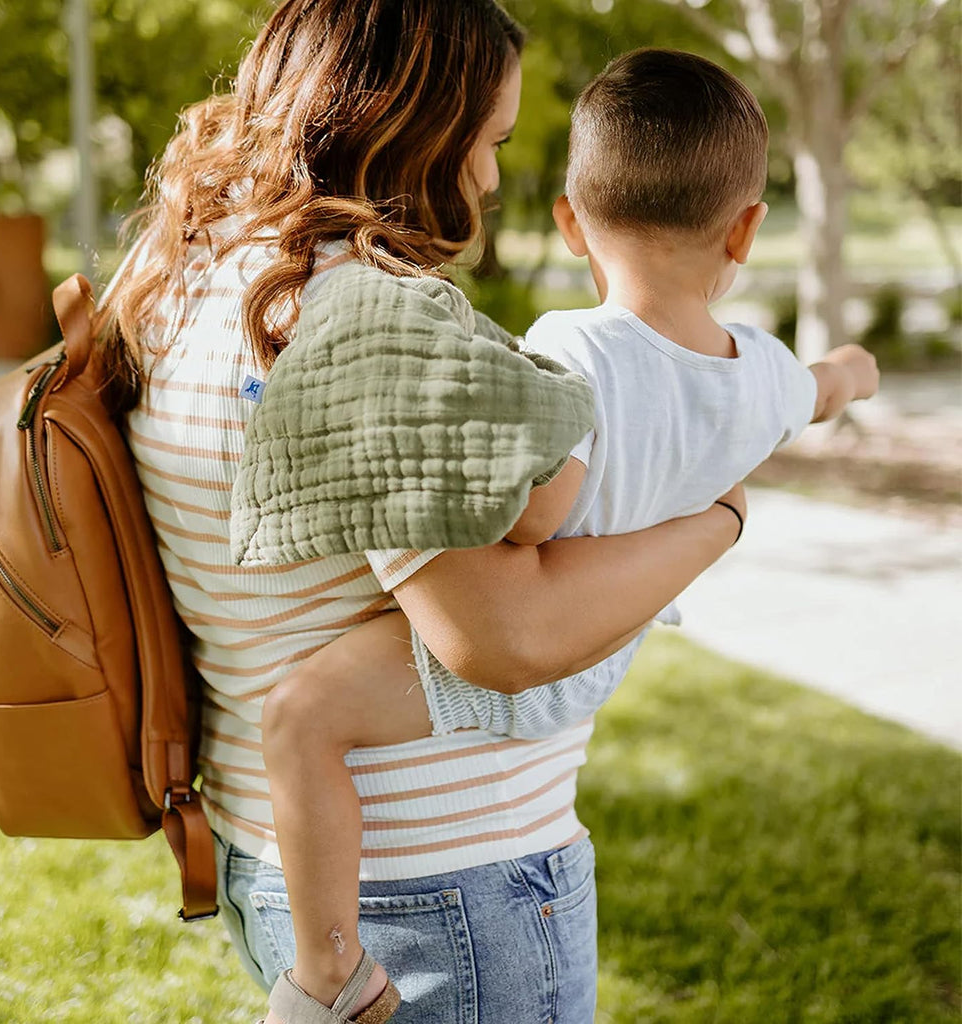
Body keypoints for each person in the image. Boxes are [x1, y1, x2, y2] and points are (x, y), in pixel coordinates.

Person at [100, 5, 752, 1022]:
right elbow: (501, 635)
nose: (490, 178)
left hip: (290, 859)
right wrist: (717, 520)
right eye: (487, 140)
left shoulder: (193, 275)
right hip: (443, 882)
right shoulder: (356, 317)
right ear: (413, 122)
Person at [253, 47, 879, 1023]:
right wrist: (852, 367)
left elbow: (540, 511)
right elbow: (831, 386)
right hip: (595, 663)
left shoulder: (571, 349)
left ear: (569, 220)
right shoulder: (764, 374)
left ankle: (330, 973)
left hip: (506, 665)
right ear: (747, 229)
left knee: (300, 718)